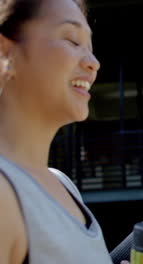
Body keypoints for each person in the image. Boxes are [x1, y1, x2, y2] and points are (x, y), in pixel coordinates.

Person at [0, 0, 116, 263]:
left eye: (91, 48)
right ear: (5, 51)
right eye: (73, 41)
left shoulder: (63, 185)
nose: (93, 63)